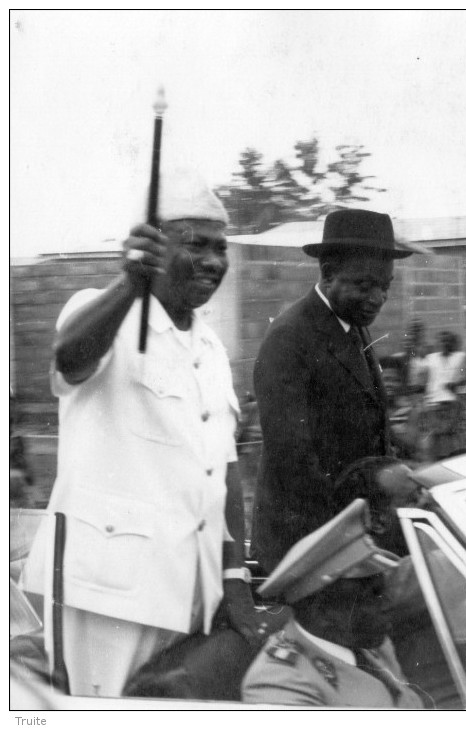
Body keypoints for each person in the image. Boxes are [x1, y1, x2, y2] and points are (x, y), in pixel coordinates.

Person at [18, 170, 260, 697]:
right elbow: (69, 358)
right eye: (196, 245)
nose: (214, 262)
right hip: (106, 594)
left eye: (221, 248)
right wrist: (131, 283)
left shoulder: (211, 349)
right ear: (151, 247)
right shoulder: (100, 312)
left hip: (191, 590)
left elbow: (225, 470)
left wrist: (234, 577)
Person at [250, 209, 415, 573]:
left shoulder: (352, 326)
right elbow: (292, 458)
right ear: (327, 274)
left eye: (385, 286)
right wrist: (349, 534)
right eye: (365, 285)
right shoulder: (290, 337)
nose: (378, 298)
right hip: (307, 545)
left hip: (349, 539)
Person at [242, 499, 424, 708]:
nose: (387, 604)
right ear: (322, 612)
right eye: (372, 596)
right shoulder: (279, 684)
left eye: (383, 592)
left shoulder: (369, 641)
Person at [417, 330, 466, 460]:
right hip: (433, 402)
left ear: (452, 342)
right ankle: (435, 461)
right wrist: (424, 399)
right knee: (435, 433)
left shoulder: (460, 356)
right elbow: (422, 378)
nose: (445, 343)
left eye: (448, 340)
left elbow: (464, 378)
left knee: (452, 433)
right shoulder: (430, 358)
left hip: (453, 401)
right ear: (438, 342)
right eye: (442, 340)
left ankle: (453, 460)